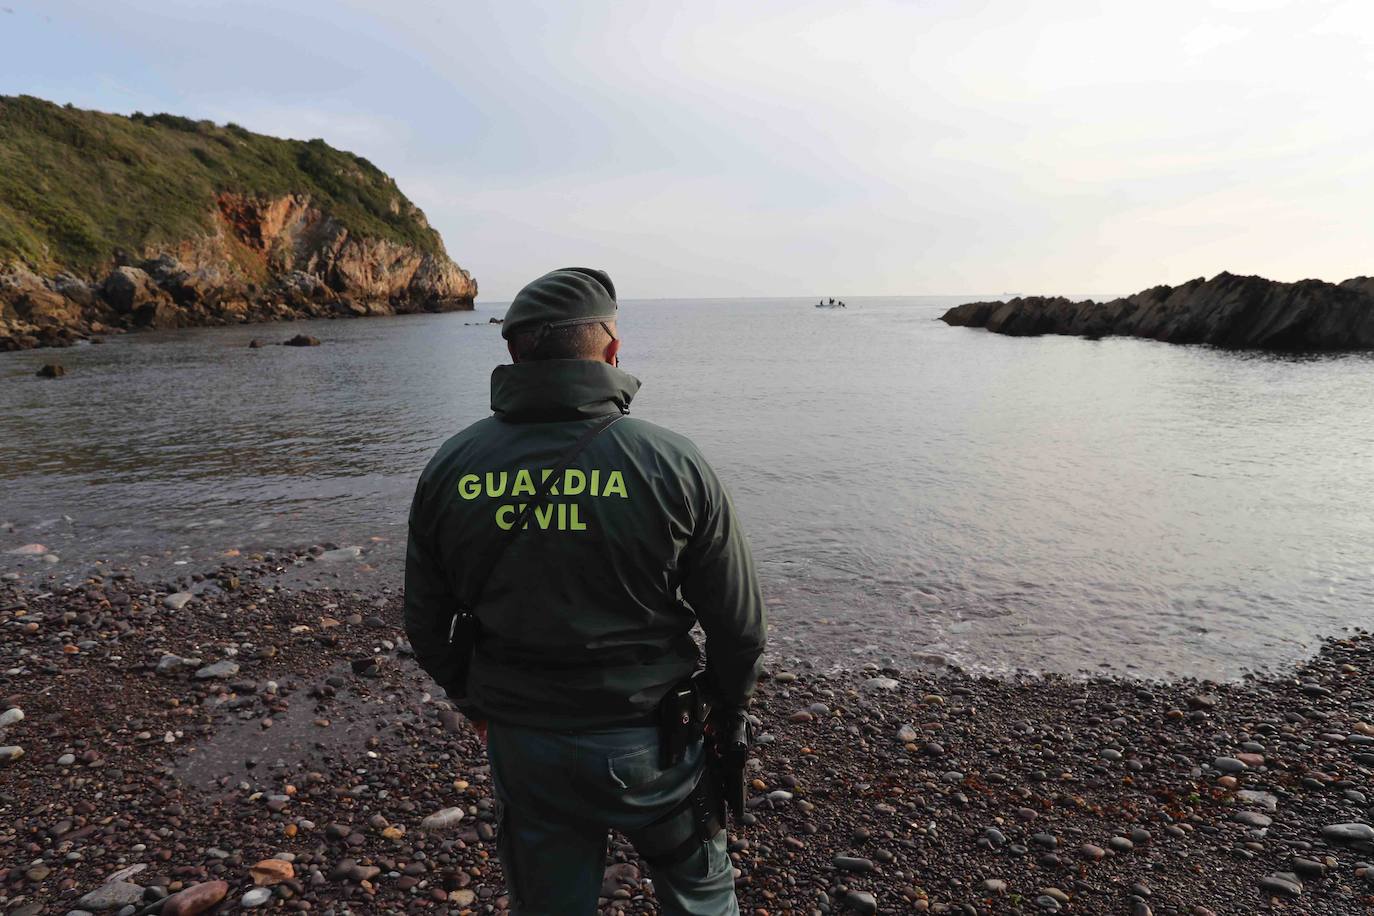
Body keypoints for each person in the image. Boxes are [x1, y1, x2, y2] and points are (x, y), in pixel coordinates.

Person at [404, 266, 766, 915]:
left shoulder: (452, 467)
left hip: (528, 743)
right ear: (612, 352)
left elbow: (427, 623)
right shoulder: (673, 464)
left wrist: (474, 700)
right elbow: (739, 628)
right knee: (700, 895)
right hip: (655, 742)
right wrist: (725, 707)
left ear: (514, 353)